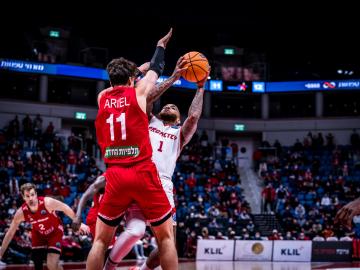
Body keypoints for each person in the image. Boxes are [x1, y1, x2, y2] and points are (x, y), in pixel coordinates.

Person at [87, 28, 178, 270]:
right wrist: (161, 46)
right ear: (131, 80)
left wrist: (135, 70)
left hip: (115, 174)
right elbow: (156, 69)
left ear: (110, 80)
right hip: (142, 171)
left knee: (100, 240)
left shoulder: (102, 97)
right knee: (166, 238)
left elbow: (121, 83)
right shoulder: (137, 93)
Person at [0, 183, 89, 270]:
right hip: (38, 234)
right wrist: (1, 252)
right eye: (27, 196)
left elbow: (65, 208)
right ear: (23, 198)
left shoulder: (47, 202)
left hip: (55, 232)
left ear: (36, 194)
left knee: (51, 265)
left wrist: (79, 223)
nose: (31, 198)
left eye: (32, 195)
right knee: (37, 264)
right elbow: (10, 232)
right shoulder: (21, 213)